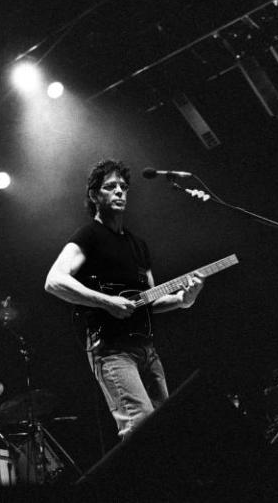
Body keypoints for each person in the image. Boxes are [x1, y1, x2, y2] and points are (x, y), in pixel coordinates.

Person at [45, 159, 204, 437]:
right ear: (95, 196)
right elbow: (54, 281)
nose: (119, 191)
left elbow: (149, 302)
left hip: (146, 349)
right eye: (110, 187)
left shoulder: (138, 245)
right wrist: (107, 301)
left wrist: (183, 299)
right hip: (111, 350)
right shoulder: (89, 236)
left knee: (165, 428)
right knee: (140, 427)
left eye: (123, 187)